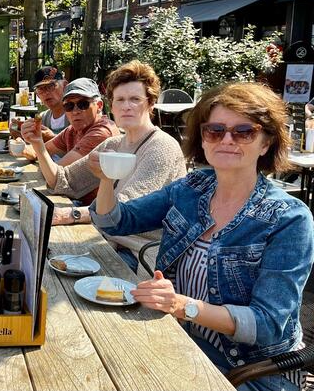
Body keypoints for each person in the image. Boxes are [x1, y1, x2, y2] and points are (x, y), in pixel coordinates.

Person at [91, 81, 314, 391]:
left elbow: (268, 325)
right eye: (215, 130)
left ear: (265, 143)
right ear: (203, 139)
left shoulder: (289, 218)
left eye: (243, 131)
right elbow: (116, 221)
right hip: (180, 342)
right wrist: (105, 179)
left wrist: (182, 306)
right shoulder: (192, 187)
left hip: (251, 371)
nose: (227, 140)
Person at [36, 61, 186, 222]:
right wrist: (37, 142)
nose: (126, 106)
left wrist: (70, 215)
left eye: (135, 99)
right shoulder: (113, 145)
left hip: (136, 245)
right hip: (108, 235)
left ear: (151, 104)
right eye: (120, 99)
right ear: (112, 106)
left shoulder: (162, 147)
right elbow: (63, 180)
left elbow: (123, 210)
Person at [19, 77, 119, 169]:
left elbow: (58, 175)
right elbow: (40, 152)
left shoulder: (101, 131)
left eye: (83, 104)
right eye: (69, 106)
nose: (75, 111)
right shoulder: (72, 130)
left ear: (99, 106)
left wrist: (38, 145)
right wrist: (22, 146)